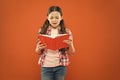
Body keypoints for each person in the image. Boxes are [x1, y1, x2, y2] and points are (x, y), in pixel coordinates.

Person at [35, 6, 75, 80]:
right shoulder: (42, 31)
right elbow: (38, 52)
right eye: (52, 17)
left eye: (57, 17)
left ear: (61, 18)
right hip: (46, 67)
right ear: (47, 18)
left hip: (60, 67)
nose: (54, 20)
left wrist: (70, 45)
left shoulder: (67, 32)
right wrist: (38, 48)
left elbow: (71, 52)